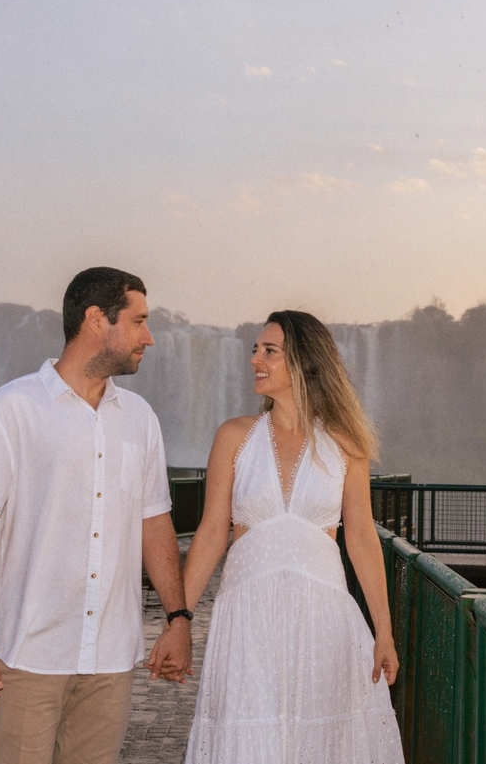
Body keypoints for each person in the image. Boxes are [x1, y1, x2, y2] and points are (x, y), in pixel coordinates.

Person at [0, 267, 193, 764]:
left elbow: (154, 523)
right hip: (28, 652)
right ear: (96, 319)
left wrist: (179, 619)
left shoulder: (140, 419)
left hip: (111, 654)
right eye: (139, 321)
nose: (149, 338)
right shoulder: (11, 409)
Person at [182, 310, 404, 764]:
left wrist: (384, 631)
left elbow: (361, 537)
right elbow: (211, 533)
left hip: (325, 624)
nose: (255, 360)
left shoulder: (346, 443)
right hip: (248, 620)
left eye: (269, 351)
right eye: (255, 350)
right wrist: (177, 619)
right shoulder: (234, 436)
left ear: (304, 361)